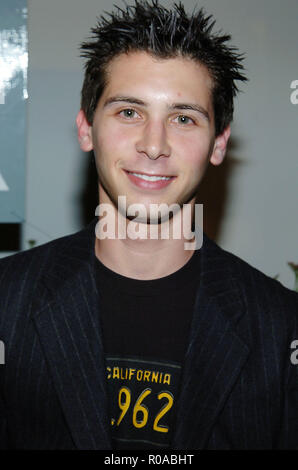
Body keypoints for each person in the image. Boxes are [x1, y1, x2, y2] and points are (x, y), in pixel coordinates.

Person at [0, 0, 297, 450]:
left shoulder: (281, 329)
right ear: (86, 129)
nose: (154, 145)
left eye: (182, 118)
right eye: (129, 112)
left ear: (219, 144)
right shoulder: (6, 303)